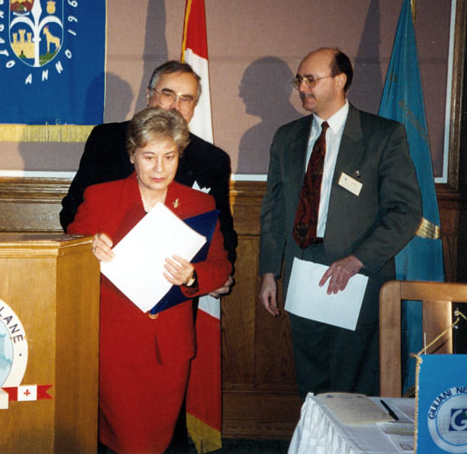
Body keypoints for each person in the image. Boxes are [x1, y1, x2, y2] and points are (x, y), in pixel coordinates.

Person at [258, 47, 422, 397]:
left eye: (311, 80)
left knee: (354, 382)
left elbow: (406, 210)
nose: (302, 88)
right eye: (299, 80)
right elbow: (274, 208)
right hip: (303, 270)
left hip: (357, 273)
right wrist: (270, 271)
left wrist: (357, 259)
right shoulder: (286, 138)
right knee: (311, 380)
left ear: (340, 81)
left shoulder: (383, 135)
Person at [67, 107, 232, 453]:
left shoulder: (199, 203)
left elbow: (220, 266)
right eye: (149, 157)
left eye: (169, 157)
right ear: (132, 156)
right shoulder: (101, 197)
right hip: (116, 345)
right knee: (126, 440)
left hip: (169, 347)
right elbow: (70, 249)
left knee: (159, 440)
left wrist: (193, 275)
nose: (160, 168)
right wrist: (88, 246)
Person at [60, 60, 238, 264]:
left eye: (186, 99)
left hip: (173, 280)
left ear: (193, 107)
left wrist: (220, 273)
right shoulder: (106, 140)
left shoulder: (212, 159)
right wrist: (92, 242)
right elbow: (72, 208)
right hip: (108, 270)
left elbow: (221, 228)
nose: (175, 106)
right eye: (168, 94)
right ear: (149, 95)